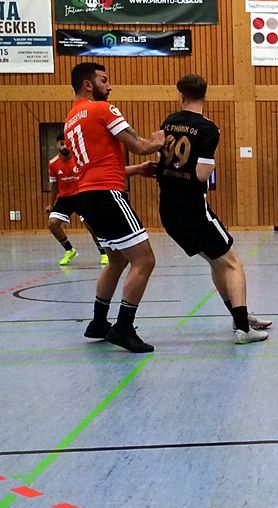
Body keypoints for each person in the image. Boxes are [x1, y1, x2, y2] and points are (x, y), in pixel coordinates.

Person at [155, 74, 271, 344]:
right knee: (233, 263)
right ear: (205, 95)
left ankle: (240, 316)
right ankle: (243, 329)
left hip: (168, 209)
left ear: (181, 95)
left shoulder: (169, 122)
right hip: (193, 210)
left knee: (217, 262)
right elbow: (202, 173)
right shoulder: (208, 128)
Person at [66, 62, 165, 353]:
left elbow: (97, 164)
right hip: (108, 195)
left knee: (117, 260)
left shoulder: (71, 119)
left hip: (87, 196)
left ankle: (98, 322)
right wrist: (159, 141)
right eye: (104, 80)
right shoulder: (103, 109)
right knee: (144, 260)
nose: (109, 86)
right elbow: (140, 146)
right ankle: (123, 327)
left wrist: (136, 170)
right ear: (88, 84)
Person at [45, 133, 108, 266]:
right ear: (57, 145)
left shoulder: (79, 160)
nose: (64, 146)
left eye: (66, 144)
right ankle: (69, 250)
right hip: (64, 198)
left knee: (91, 226)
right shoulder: (53, 163)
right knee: (52, 223)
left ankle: (103, 253)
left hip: (81, 195)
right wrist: (51, 204)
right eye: (61, 144)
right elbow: (54, 185)